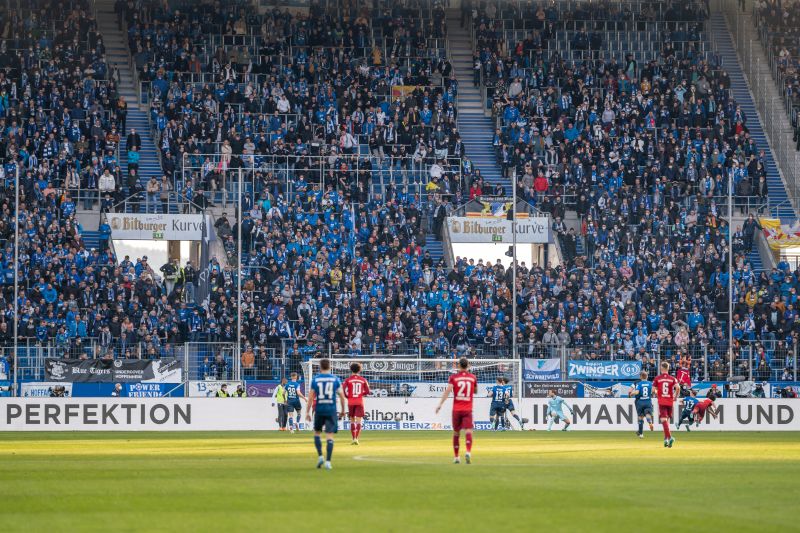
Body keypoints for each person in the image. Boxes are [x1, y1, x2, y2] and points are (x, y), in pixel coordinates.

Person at [305, 358, 347, 470]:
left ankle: (320, 456)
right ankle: (328, 461)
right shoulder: (335, 379)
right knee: (329, 435)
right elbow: (342, 397)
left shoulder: (315, 380)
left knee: (317, 433)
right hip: (331, 410)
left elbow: (310, 397)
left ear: (320, 367)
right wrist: (343, 410)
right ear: (330, 367)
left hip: (319, 409)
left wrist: (307, 412)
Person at [435, 357, 477, 464]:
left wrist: (440, 404)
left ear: (458, 366)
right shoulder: (473, 377)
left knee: (456, 433)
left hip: (456, 409)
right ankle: (468, 451)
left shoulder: (453, 377)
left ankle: (457, 457)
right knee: (468, 431)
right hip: (468, 408)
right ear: (468, 366)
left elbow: (448, 391)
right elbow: (475, 391)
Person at [653, 361, 680, 448]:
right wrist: (675, 396)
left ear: (661, 368)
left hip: (662, 401)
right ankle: (666, 440)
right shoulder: (673, 378)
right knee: (667, 421)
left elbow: (653, 390)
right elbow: (678, 387)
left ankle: (670, 437)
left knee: (663, 420)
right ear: (668, 369)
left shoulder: (657, 378)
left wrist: (658, 393)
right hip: (670, 401)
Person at [343, 362, 371, 445]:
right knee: (359, 421)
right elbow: (368, 391)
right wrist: (360, 394)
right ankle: (356, 439)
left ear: (351, 369)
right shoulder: (363, 380)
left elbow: (343, 390)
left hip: (351, 401)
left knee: (352, 420)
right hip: (359, 401)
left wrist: (348, 396)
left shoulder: (347, 380)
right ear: (360, 370)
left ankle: (353, 438)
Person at [629, 371, 654, 438]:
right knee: (648, 414)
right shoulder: (650, 383)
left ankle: (641, 434)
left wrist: (631, 393)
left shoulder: (639, 384)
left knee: (640, 417)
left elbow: (637, 392)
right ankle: (650, 422)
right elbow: (654, 391)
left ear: (640, 377)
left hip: (640, 402)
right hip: (648, 401)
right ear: (647, 377)